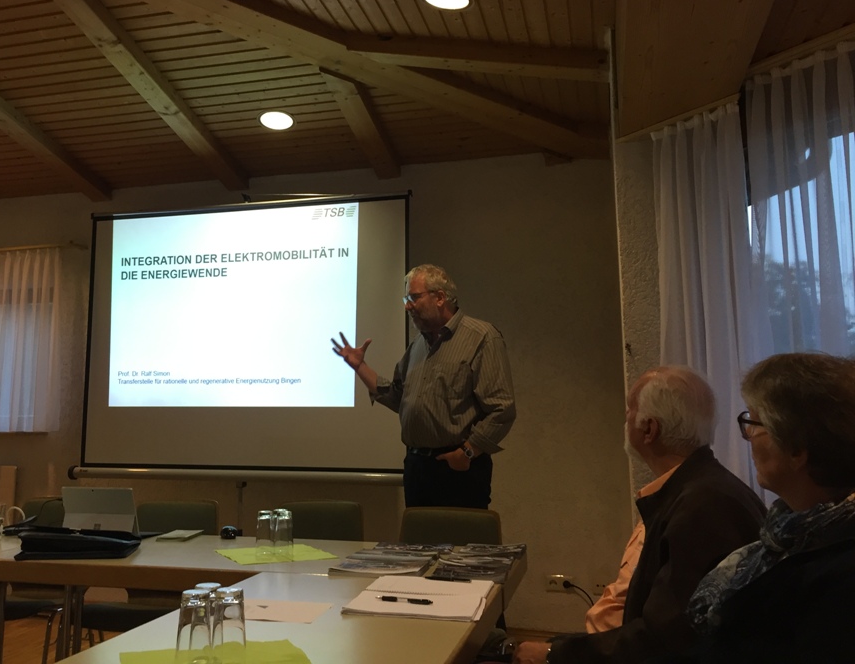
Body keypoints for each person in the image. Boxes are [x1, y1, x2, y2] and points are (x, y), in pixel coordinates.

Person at [515, 366, 765, 664]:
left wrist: (553, 653)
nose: (625, 419)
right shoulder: (701, 488)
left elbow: (664, 640)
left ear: (649, 429)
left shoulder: (702, 507)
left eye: (629, 410)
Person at [658, 352, 855, 663]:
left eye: (753, 421)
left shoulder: (838, 573)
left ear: (796, 449)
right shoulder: (788, 538)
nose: (748, 436)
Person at [331, 264, 516, 508]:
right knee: (417, 533)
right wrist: (359, 366)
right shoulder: (417, 345)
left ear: (440, 297)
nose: (407, 306)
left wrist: (468, 452)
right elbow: (398, 397)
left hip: (458, 471)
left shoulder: (481, 337)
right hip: (417, 469)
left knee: (460, 534)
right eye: (406, 299)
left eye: (414, 298)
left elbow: (502, 409)